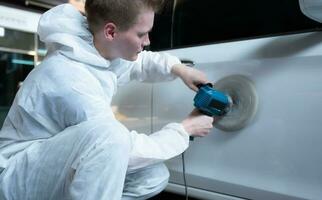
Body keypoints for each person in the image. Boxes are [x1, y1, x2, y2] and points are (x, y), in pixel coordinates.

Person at [0, 0, 214, 199]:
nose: (147, 41)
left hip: (51, 161)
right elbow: (120, 149)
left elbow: (139, 63)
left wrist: (178, 69)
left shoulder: (94, 48)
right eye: (141, 34)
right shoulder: (71, 80)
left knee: (152, 176)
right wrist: (184, 130)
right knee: (111, 135)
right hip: (17, 175)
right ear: (111, 31)